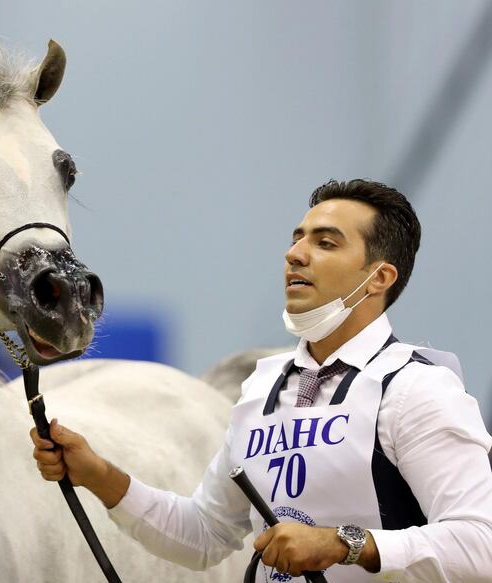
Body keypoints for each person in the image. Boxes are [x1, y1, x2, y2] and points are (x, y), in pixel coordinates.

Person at [31, 179, 492, 582]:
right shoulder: (262, 388)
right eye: (297, 239)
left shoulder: (415, 389)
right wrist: (98, 475)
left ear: (378, 277)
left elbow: (482, 544)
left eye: (326, 243)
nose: (295, 254)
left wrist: (345, 544)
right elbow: (203, 535)